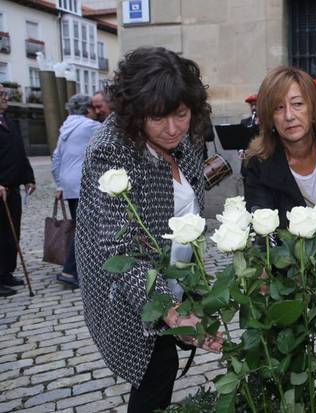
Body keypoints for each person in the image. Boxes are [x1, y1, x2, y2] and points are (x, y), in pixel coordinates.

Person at [76, 47, 222, 413]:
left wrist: (192, 295)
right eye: (158, 118)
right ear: (135, 113)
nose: (173, 128)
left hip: (173, 270)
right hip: (126, 286)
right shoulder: (109, 152)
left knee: (164, 368)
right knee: (156, 369)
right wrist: (171, 312)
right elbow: (122, 249)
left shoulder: (185, 138)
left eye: (181, 114)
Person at [243, 66, 316, 226]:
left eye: (297, 104)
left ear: (313, 108)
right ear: (270, 117)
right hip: (284, 249)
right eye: (278, 108)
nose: (289, 116)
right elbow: (263, 225)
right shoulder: (258, 162)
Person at [52, 94, 101, 288]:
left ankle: (79, 269)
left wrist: (60, 184)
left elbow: (56, 159)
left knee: (80, 227)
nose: (96, 112)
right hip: (83, 184)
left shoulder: (66, 128)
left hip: (71, 185)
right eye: (93, 108)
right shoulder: (89, 126)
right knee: (85, 230)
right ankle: (69, 271)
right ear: (87, 109)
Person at [0, 84, 35, 298]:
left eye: (5, 93)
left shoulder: (9, 121)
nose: (6, 97)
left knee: (12, 234)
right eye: (1, 94)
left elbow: (19, 153)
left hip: (11, 189)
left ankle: (6, 272)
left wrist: (28, 177)